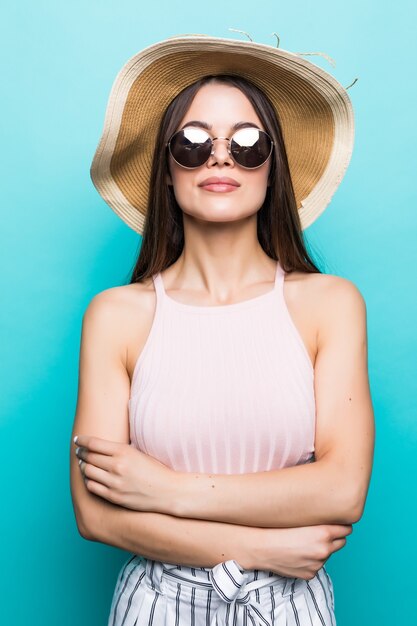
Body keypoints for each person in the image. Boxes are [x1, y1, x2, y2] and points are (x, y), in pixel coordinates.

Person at [70, 33, 375, 626]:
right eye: (191, 141)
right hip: (157, 605)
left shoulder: (329, 305)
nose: (219, 157)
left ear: (272, 168)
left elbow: (342, 492)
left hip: (288, 607)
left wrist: (167, 492)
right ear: (166, 171)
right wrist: (259, 548)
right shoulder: (117, 316)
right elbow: (96, 515)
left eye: (246, 142)